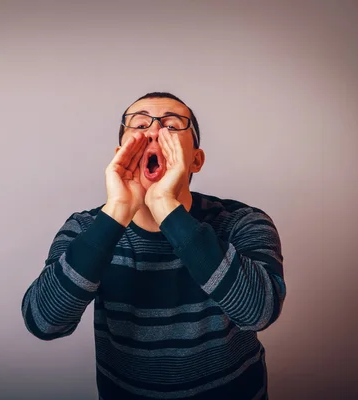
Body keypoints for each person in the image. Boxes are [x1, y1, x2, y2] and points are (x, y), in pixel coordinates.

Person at [21, 92, 286, 400]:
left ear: (196, 160)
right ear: (120, 152)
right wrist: (118, 209)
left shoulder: (243, 222)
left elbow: (259, 312)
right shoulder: (86, 228)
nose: (153, 132)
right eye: (139, 124)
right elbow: (44, 321)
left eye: (172, 126)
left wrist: (164, 204)